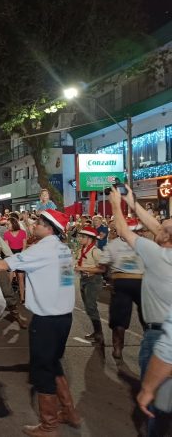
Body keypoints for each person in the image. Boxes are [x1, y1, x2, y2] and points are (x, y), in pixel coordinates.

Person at [0, 209, 80, 436]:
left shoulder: (42, 249)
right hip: (64, 318)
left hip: (46, 320)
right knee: (54, 364)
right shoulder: (62, 248)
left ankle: (49, 425)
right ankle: (69, 411)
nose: (34, 224)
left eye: (39, 222)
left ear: (49, 228)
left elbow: (3, 265)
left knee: (43, 371)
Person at [109, 185, 172, 436]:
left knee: (156, 404)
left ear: (166, 238)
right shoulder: (164, 249)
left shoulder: (159, 256)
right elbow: (159, 229)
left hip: (160, 338)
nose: (156, 225)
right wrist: (131, 200)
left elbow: (123, 230)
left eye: (163, 226)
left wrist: (116, 202)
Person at [99, 218, 145, 359]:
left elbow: (103, 264)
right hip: (141, 281)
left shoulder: (113, 244)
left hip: (121, 280)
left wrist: (108, 276)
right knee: (146, 316)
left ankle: (117, 348)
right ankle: (153, 344)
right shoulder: (142, 243)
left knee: (119, 317)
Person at [74, 226, 105, 345]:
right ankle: (96, 332)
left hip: (93, 280)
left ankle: (99, 333)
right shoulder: (81, 249)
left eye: (83, 237)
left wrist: (82, 268)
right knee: (88, 307)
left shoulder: (95, 251)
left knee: (91, 306)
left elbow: (102, 268)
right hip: (84, 279)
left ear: (90, 239)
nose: (80, 238)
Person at [3, 217, 27, 303]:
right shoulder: (6, 234)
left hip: (20, 255)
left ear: (14, 224)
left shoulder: (22, 232)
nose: (7, 226)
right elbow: (7, 248)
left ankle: (22, 298)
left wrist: (19, 257)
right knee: (9, 277)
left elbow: (24, 246)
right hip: (11, 255)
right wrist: (13, 258)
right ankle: (9, 297)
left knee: (21, 277)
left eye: (8, 224)